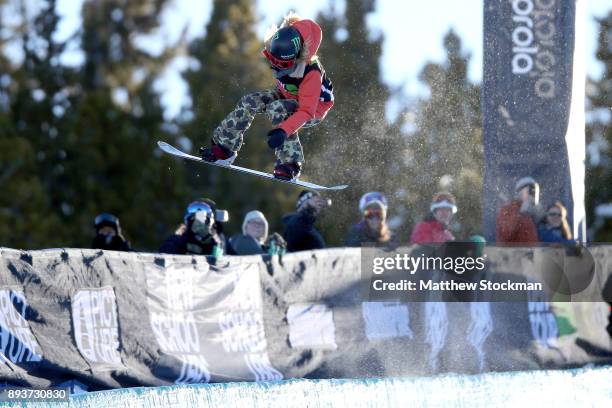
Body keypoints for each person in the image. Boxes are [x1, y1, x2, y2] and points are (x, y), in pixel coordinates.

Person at [199, 12, 334, 181]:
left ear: (297, 57)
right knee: (250, 101)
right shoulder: (280, 44)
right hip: (288, 94)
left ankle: (290, 163)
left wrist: (283, 131)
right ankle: (225, 148)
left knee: (276, 108)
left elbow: (307, 111)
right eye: (272, 61)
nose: (276, 68)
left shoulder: (311, 73)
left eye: (282, 65)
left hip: (313, 108)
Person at [159, 199, 226, 256]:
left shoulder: (218, 237)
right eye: (194, 220)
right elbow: (164, 252)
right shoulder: (181, 235)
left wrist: (212, 241)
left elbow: (219, 259)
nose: (199, 224)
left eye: (204, 220)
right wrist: (184, 239)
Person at [496, 176, 540, 244]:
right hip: (514, 253)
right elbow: (505, 236)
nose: (533, 194)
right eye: (530, 191)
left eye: (535, 191)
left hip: (532, 252)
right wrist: (522, 212)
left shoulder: (536, 212)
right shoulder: (508, 209)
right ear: (520, 192)